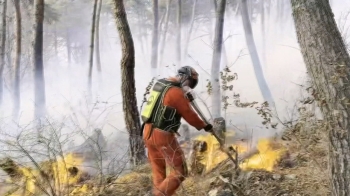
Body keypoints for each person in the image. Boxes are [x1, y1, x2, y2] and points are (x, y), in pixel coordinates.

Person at [141, 66, 213, 196]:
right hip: (162, 135)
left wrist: (185, 96)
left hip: (147, 131)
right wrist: (204, 125)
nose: (189, 86)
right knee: (179, 171)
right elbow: (189, 114)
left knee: (159, 171)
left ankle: (160, 192)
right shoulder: (176, 92)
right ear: (185, 78)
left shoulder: (161, 84)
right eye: (190, 83)